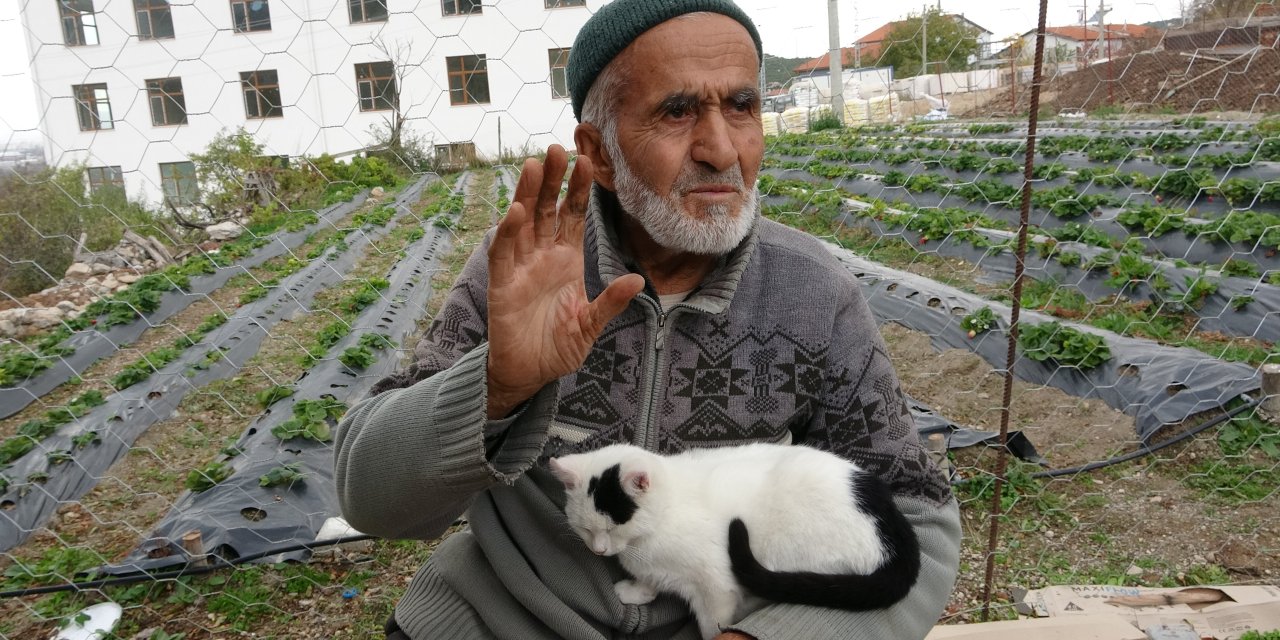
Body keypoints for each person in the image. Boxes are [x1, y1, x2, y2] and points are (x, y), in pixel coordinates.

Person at [333, 1, 961, 638]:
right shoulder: (523, 280)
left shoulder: (812, 293)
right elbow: (371, 499)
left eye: (742, 106)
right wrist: (496, 387)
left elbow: (917, 519)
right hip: (500, 619)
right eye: (677, 111)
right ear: (598, 153)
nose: (722, 150)